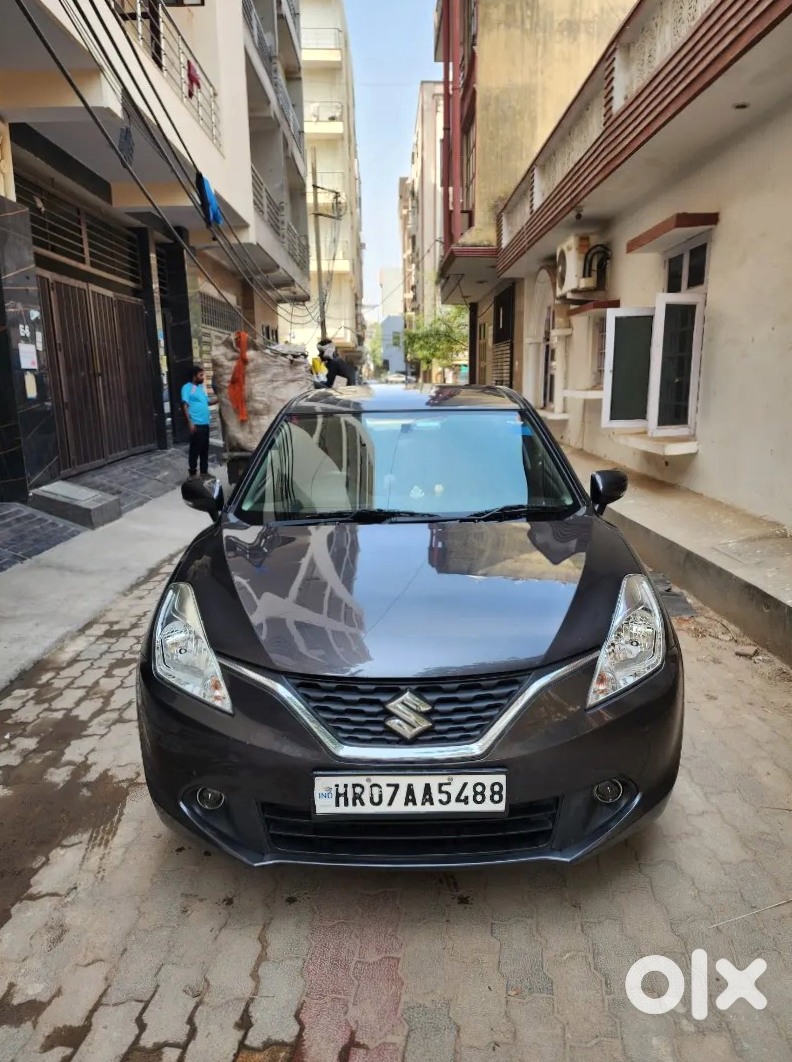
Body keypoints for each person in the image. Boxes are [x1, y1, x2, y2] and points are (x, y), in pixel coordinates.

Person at [182, 364, 211, 477]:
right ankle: (193, 473)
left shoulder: (200, 389)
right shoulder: (187, 388)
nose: (203, 377)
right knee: (194, 450)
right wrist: (190, 422)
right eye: (201, 375)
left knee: (204, 450)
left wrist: (221, 398)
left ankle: (204, 472)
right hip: (196, 425)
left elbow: (208, 402)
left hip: (205, 424)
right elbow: (185, 405)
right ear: (194, 376)